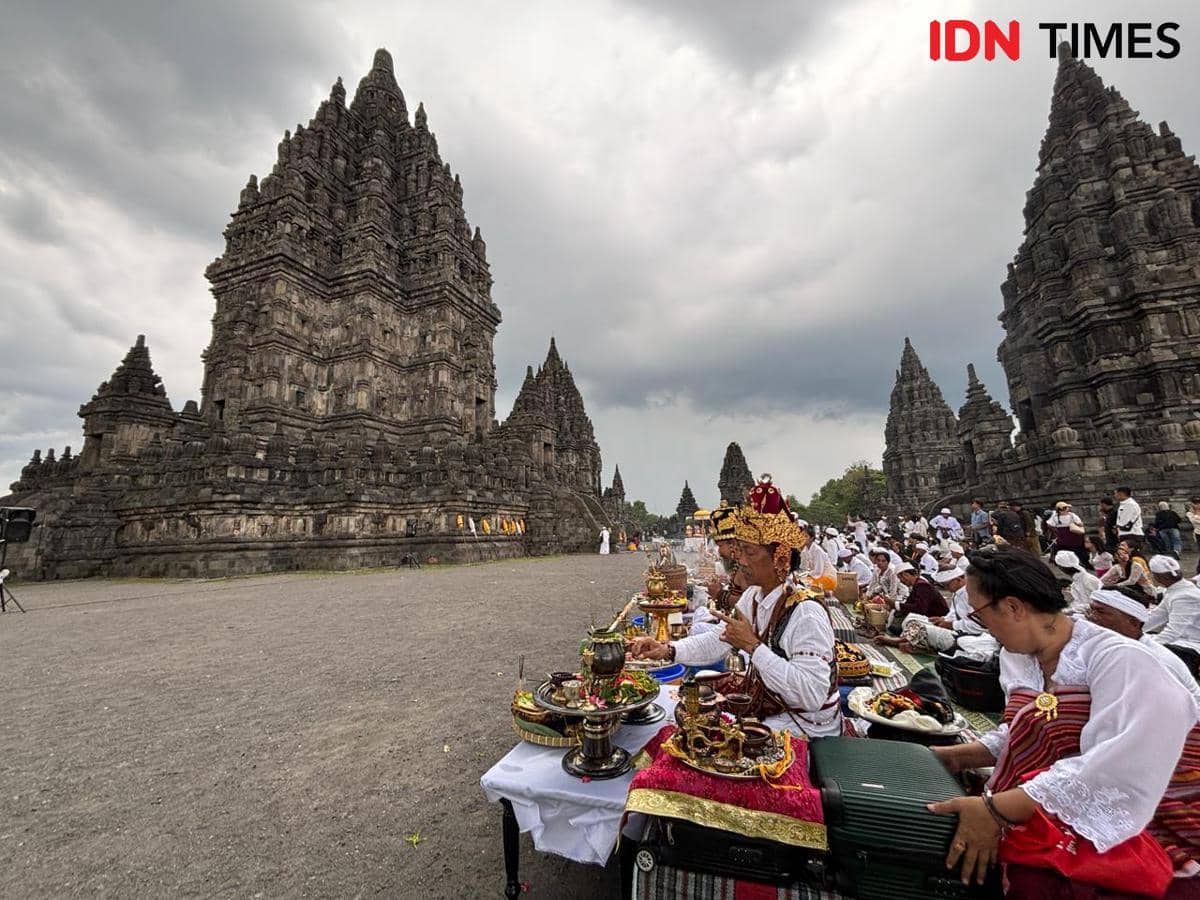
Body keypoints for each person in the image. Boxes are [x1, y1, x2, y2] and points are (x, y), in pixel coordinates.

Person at [928, 547, 1196, 895]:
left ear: (1012, 607)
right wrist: (957, 756)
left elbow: (1116, 767)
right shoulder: (1022, 658)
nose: (985, 629)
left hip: (1147, 827)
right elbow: (1030, 730)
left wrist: (995, 810)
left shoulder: (1118, 659)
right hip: (1057, 809)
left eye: (980, 616)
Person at [628, 490, 842, 738]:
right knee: (683, 719)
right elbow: (718, 639)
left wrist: (752, 646)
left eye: (750, 552)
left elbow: (812, 695)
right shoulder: (755, 596)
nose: (740, 559)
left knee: (703, 738)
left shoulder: (806, 613)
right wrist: (668, 650)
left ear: (780, 558)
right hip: (771, 707)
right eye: (740, 550)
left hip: (806, 727)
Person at [1084, 586, 1200, 877]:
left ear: (1133, 623)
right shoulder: (1110, 651)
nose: (1091, 618)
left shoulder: (1154, 660)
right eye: (1091, 610)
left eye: (1101, 612)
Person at [1146, 555, 1200, 673]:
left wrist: (1146, 646)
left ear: (1157, 577)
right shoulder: (1175, 590)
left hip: (1191, 645)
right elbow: (1156, 616)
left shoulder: (1184, 596)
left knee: (1148, 655)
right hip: (1180, 640)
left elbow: (1173, 632)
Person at [874, 562, 949, 640]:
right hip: (928, 615)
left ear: (906, 575)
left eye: (900, 578)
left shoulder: (922, 585)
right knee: (895, 613)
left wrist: (895, 604)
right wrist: (894, 605)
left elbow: (920, 609)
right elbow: (909, 603)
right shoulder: (917, 584)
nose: (901, 582)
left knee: (909, 618)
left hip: (936, 619)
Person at [1053, 549, 1100, 618]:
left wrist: (1069, 610)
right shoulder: (1078, 579)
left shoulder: (1088, 579)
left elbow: (1094, 603)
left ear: (1062, 568)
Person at [1045, 501, 1087, 569]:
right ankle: (1080, 563)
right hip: (1073, 535)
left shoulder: (1055, 516)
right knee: (1077, 550)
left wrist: (1056, 530)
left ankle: (1064, 563)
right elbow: (1080, 523)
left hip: (1062, 536)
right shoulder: (1072, 515)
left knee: (1063, 550)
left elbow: (1049, 524)